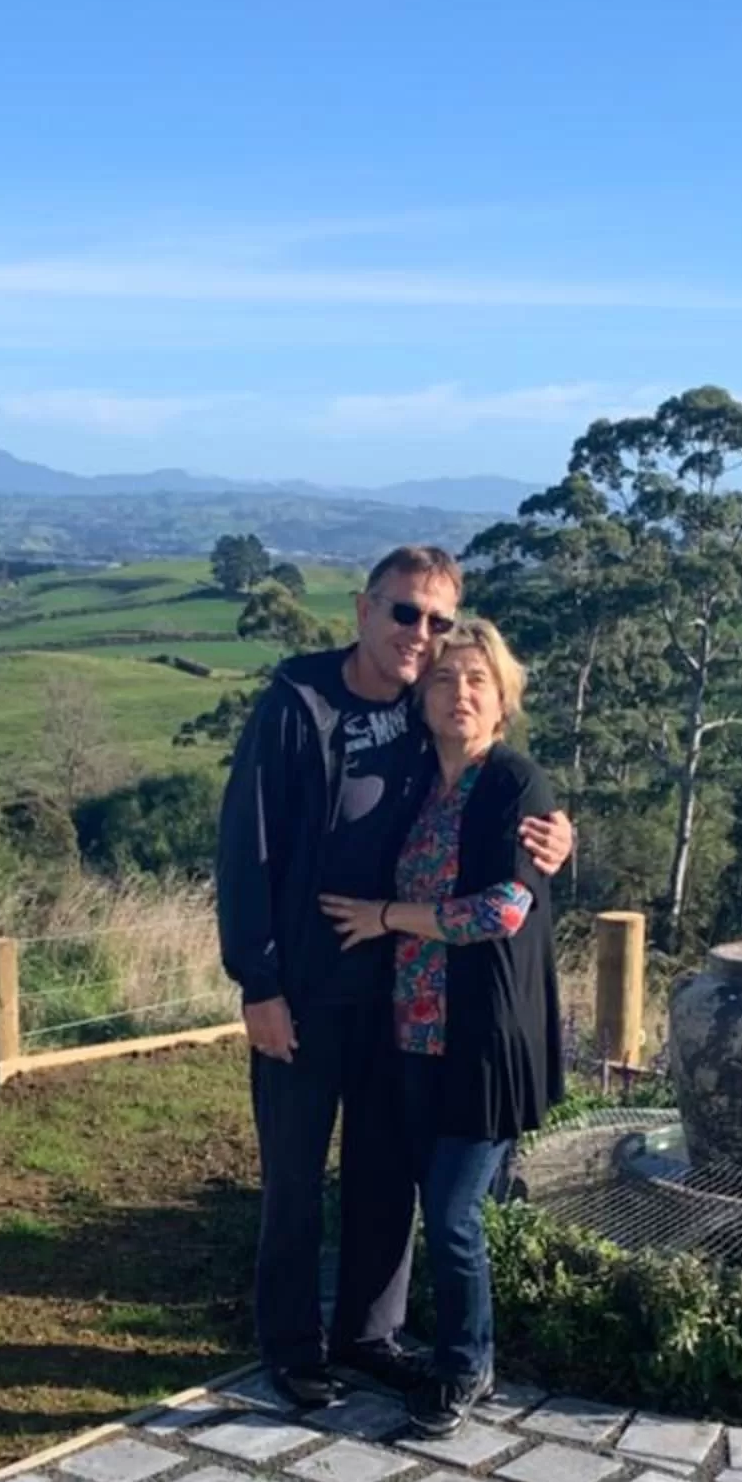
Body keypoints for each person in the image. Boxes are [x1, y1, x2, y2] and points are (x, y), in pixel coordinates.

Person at [214, 547, 568, 1409]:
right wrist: (258, 983)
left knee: (381, 1178)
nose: (421, 634)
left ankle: (369, 1337)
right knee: (295, 1177)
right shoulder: (298, 706)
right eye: (405, 612)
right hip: (302, 992)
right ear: (363, 610)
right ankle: (291, 1347)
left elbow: (495, 801)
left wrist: (560, 842)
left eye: (437, 621)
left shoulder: (423, 712)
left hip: (396, 1000)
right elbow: (245, 849)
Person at [318, 617, 564, 1439]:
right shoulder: (417, 781)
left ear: (502, 700)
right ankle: (392, 1344)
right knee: (414, 1199)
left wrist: (387, 916)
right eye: (445, 679)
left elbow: (503, 910)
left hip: (483, 1040)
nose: (460, 693)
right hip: (409, 1035)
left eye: (477, 681)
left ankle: (467, 1368)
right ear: (422, 699)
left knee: (455, 1213)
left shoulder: (516, 784)